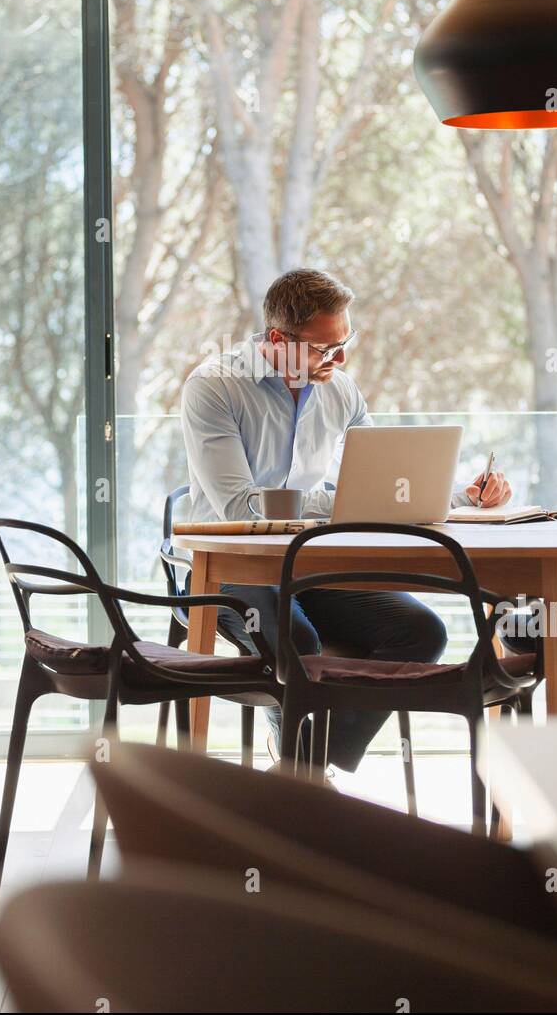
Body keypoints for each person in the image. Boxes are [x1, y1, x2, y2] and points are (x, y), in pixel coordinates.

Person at [180, 268, 512, 775]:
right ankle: (301, 773)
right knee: (301, 645)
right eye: (325, 349)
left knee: (421, 631)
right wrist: (341, 502)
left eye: (345, 342)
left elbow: (384, 484)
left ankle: (305, 765)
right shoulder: (215, 387)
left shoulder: (341, 391)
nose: (340, 358)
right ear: (277, 339)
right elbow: (241, 506)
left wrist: (463, 494)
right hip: (233, 569)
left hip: (313, 567)